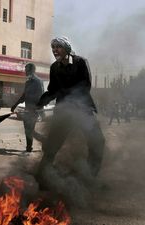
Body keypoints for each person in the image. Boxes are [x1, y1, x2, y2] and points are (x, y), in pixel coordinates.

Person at [36, 36, 105, 177]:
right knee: (52, 146)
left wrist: (71, 100)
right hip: (63, 112)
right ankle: (42, 176)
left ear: (66, 48)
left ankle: (89, 176)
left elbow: (85, 86)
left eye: (58, 47)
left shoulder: (80, 62)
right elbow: (53, 90)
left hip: (82, 110)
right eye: (53, 48)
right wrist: (40, 103)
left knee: (98, 142)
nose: (55, 50)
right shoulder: (54, 67)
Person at [11, 63, 44, 152]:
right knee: (27, 130)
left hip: (33, 110)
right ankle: (29, 147)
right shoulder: (28, 81)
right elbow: (24, 95)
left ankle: (40, 141)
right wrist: (15, 104)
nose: (25, 71)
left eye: (26, 69)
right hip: (27, 110)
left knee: (30, 130)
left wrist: (40, 111)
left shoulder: (38, 81)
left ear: (31, 70)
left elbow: (41, 97)